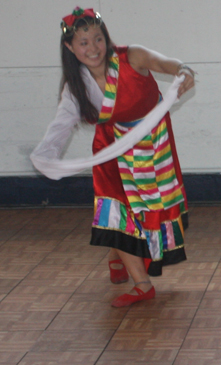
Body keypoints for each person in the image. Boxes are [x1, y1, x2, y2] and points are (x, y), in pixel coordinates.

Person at [31, 7, 195, 307]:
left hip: (153, 142)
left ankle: (116, 254)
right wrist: (46, 156)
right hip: (111, 152)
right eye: (83, 43)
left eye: (97, 39)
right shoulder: (75, 88)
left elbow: (165, 62)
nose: (92, 48)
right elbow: (60, 127)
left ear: (106, 38)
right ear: (70, 48)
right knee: (117, 211)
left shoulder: (131, 56)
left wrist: (183, 70)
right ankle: (142, 285)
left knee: (147, 207)